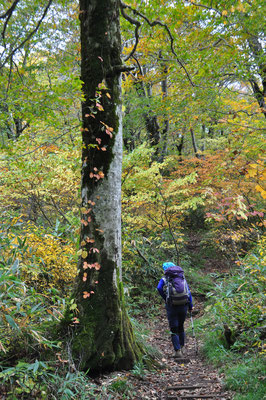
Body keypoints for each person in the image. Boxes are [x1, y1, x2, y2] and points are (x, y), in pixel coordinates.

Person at [157, 262, 193, 358]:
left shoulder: (165, 278)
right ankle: (182, 346)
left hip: (171, 306)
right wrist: (190, 306)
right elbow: (188, 292)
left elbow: (159, 288)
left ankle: (177, 351)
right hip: (183, 305)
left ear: (165, 270)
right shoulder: (182, 277)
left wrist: (165, 298)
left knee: (174, 328)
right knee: (181, 326)